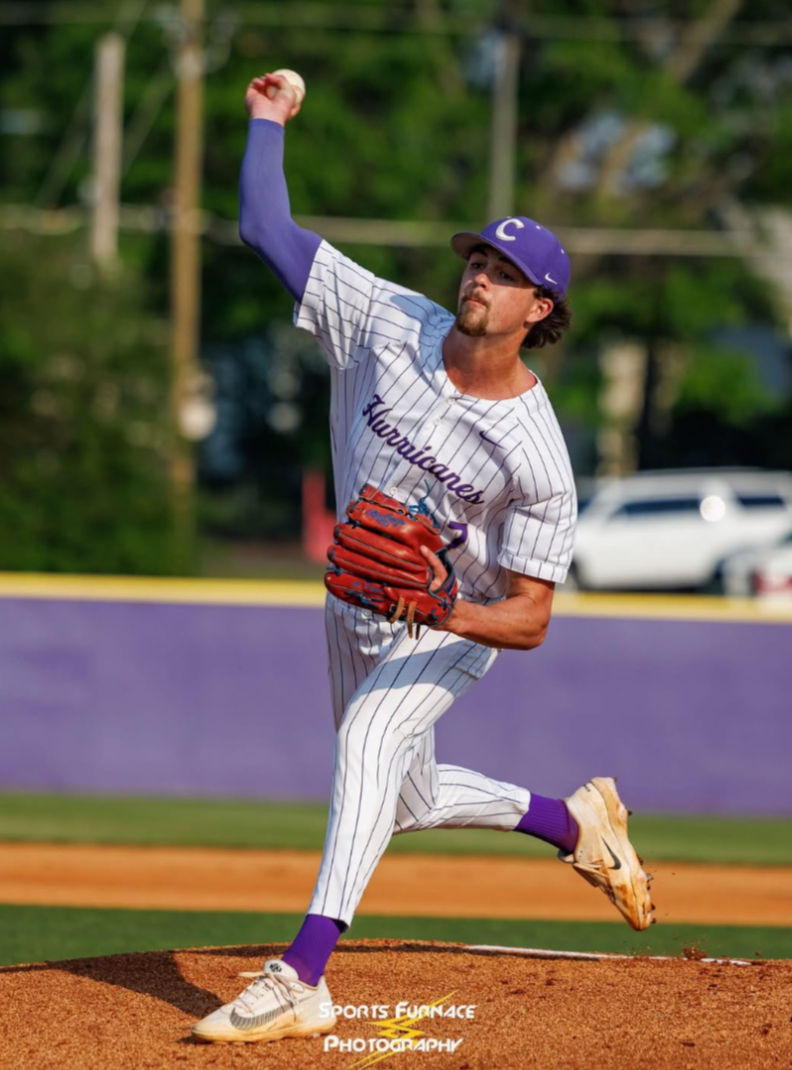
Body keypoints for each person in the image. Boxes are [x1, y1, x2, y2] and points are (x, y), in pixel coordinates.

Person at [192, 71, 653, 1045]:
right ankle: (575, 825)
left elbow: (529, 616)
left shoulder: (536, 454)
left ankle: (304, 972)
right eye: (478, 258)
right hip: (357, 600)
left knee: (366, 741)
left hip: (452, 620)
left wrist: (438, 607)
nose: (479, 275)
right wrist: (267, 123)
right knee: (397, 794)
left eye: (504, 270)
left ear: (541, 308)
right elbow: (267, 232)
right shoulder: (385, 320)